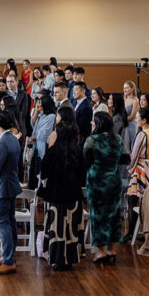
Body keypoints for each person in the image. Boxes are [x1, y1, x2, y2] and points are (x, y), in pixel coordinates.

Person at [40, 106, 85, 270]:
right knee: (71, 228)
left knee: (56, 227)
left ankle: (57, 259)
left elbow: (44, 171)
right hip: (73, 193)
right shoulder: (77, 149)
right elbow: (82, 174)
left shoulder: (54, 151)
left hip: (56, 193)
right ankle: (70, 258)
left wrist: (49, 148)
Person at [84, 110, 122, 264]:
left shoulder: (92, 140)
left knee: (98, 214)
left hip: (97, 180)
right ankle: (111, 249)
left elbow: (86, 161)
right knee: (114, 214)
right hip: (114, 179)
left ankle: (100, 251)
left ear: (98, 123)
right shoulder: (117, 139)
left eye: (93, 121)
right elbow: (125, 158)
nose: (91, 123)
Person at [0, 111, 22, 275]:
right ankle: (9, 256)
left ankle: (8, 260)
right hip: (11, 183)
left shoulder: (2, 143)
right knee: (10, 221)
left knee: (3, 223)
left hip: (2, 186)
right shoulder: (13, 139)